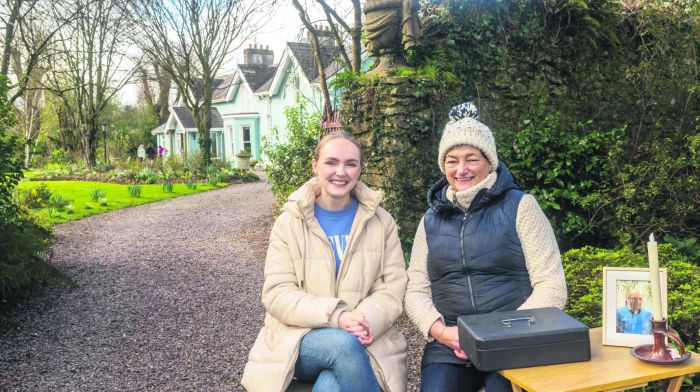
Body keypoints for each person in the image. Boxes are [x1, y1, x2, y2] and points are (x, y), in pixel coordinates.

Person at [404, 102, 568, 392]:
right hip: (451, 341)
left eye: (472, 159)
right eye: (452, 160)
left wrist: (499, 333)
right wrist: (441, 332)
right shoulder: (429, 220)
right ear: (443, 166)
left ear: (489, 161)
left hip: (513, 338)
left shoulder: (521, 207)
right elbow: (416, 290)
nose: (461, 169)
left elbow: (552, 287)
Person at [242, 130, 408, 392]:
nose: (340, 172)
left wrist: (361, 321)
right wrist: (337, 317)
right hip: (298, 338)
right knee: (342, 346)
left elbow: (392, 289)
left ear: (359, 170)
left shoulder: (381, 222)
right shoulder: (289, 223)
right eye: (331, 162)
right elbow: (277, 293)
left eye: (350, 164)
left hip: (366, 335)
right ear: (315, 165)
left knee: (331, 385)